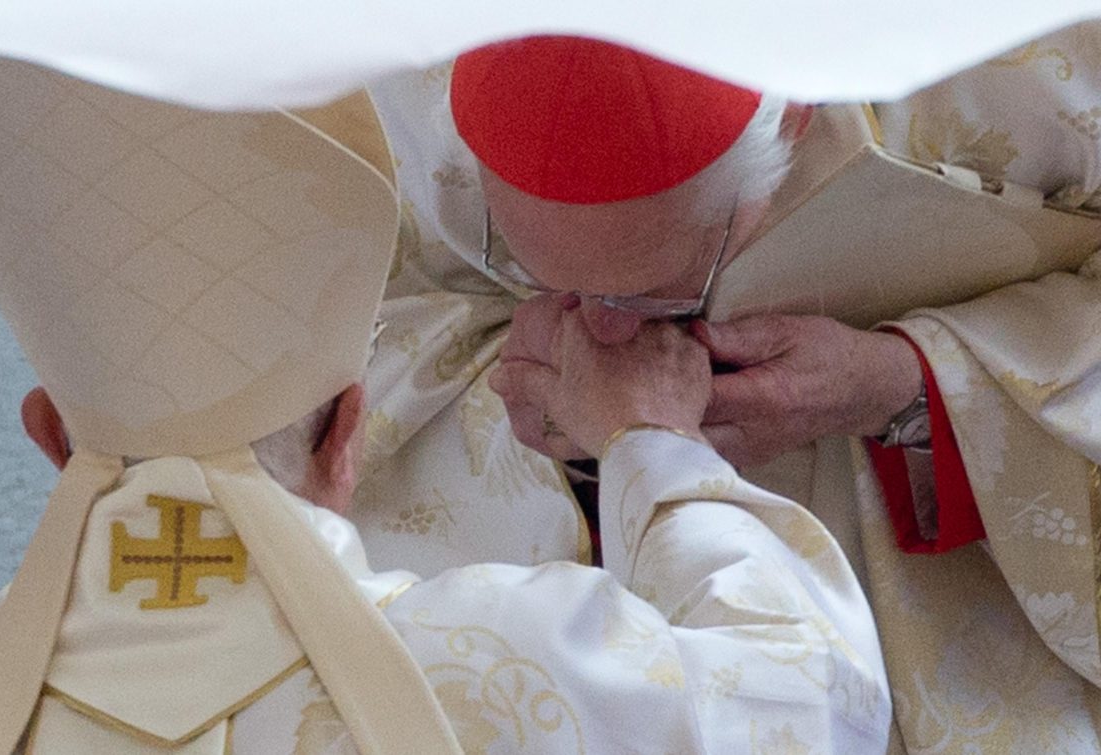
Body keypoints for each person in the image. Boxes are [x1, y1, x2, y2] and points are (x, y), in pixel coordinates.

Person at [0, 56, 890, 754]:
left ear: (48, 433)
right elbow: (812, 699)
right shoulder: (510, 662)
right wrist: (656, 445)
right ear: (349, 430)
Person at [440, 34, 1101, 753]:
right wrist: (552, 416)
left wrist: (898, 383)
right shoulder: (407, 66)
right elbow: (396, 322)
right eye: (555, 283)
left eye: (651, 290)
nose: (603, 329)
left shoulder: (1040, 63)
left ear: (792, 119)